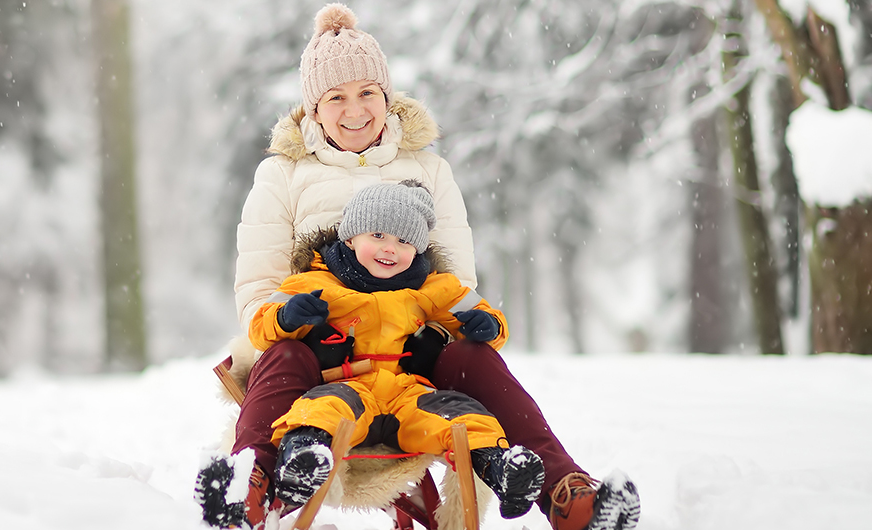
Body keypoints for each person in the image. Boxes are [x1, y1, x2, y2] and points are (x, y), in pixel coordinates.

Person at [204, 4, 640, 530]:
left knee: (475, 358)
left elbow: (457, 281)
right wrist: (299, 321)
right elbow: (258, 289)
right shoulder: (282, 175)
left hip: (412, 356)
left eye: (367, 93)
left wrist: (442, 330)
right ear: (313, 110)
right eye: (335, 97)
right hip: (319, 358)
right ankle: (247, 484)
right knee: (282, 353)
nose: (354, 110)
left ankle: (567, 493)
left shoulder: (429, 169)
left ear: (387, 99)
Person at [198, 181, 546, 528]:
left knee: (463, 416)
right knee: (320, 410)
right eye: (377, 235)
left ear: (418, 250)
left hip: (409, 393)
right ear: (350, 237)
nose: (390, 248)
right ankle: (302, 463)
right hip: (348, 387)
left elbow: (488, 317)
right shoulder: (315, 282)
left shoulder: (435, 287)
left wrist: (489, 325)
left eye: (404, 241)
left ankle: (502, 469)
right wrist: (287, 317)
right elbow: (261, 328)